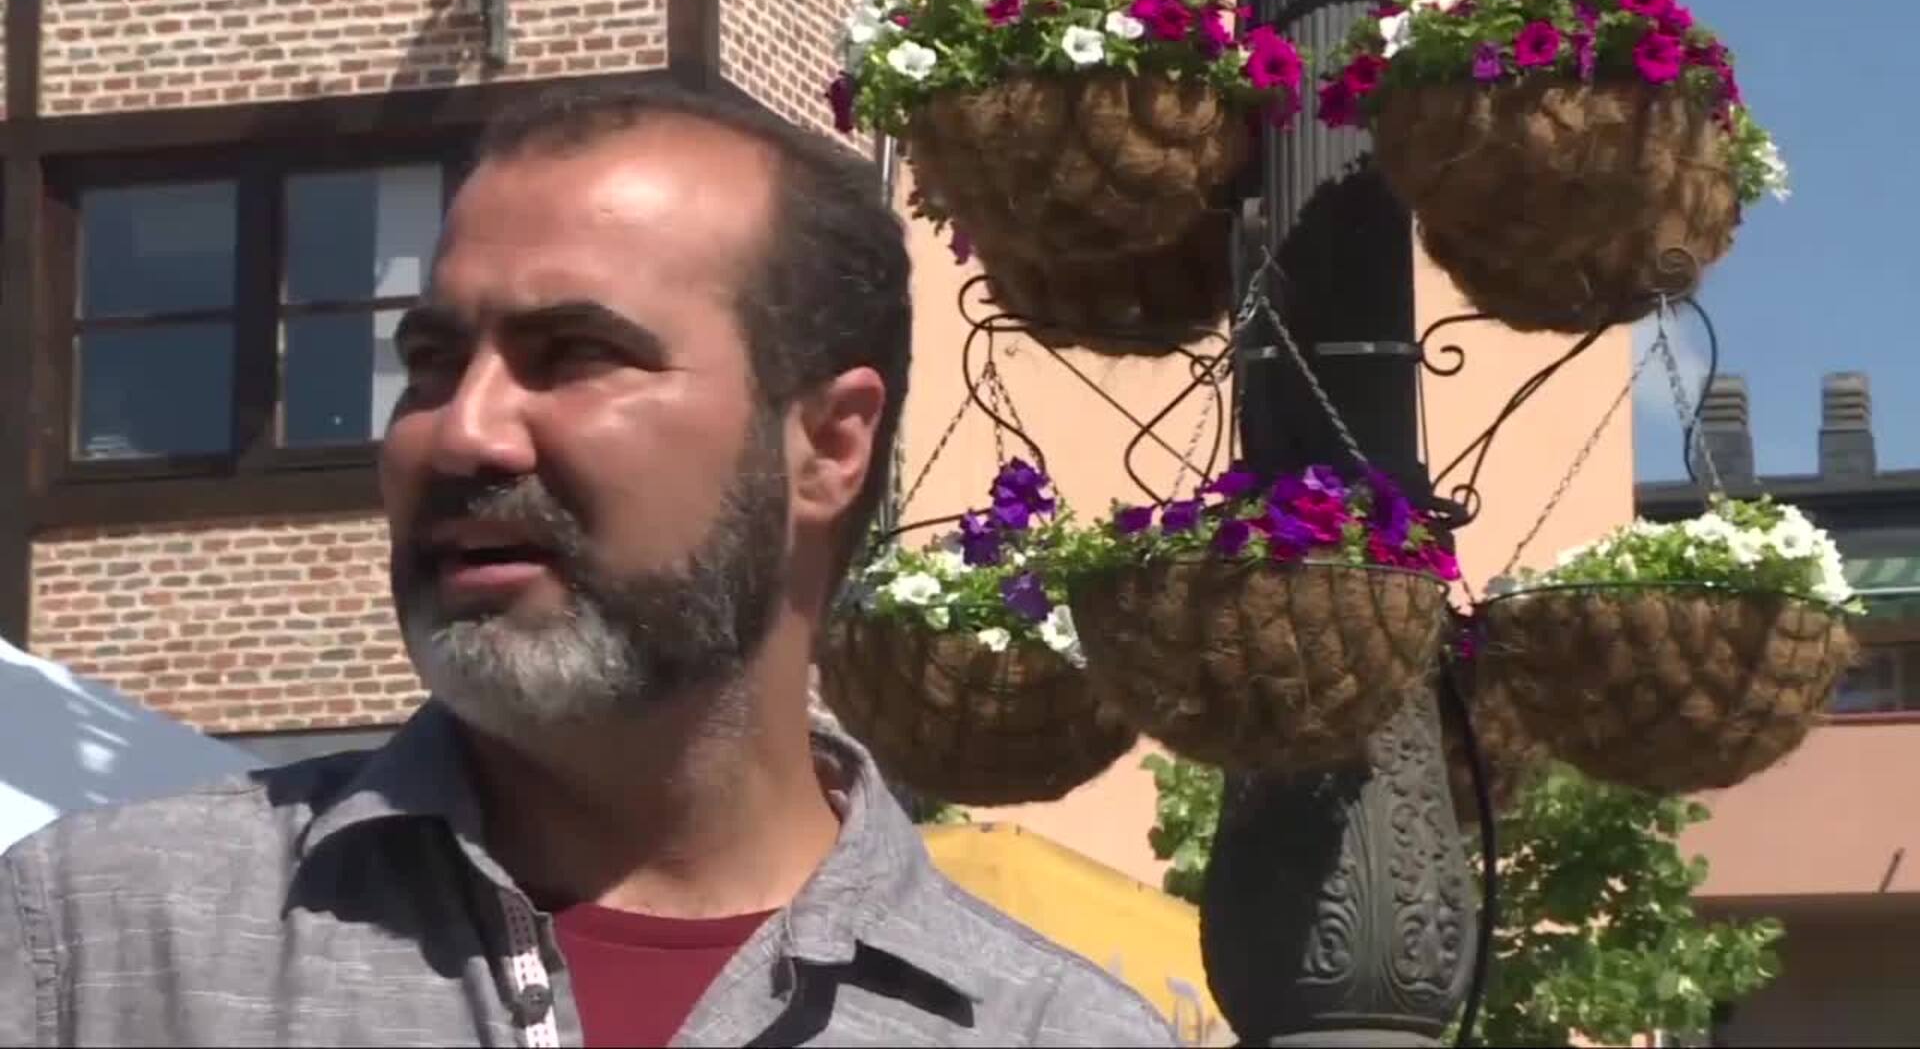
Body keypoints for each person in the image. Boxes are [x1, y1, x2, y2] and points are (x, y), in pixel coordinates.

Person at [0, 83, 1177, 1047]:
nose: (463, 432)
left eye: (574, 354)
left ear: (827, 443)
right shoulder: (95, 944)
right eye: (429, 361)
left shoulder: (1045, 1029)